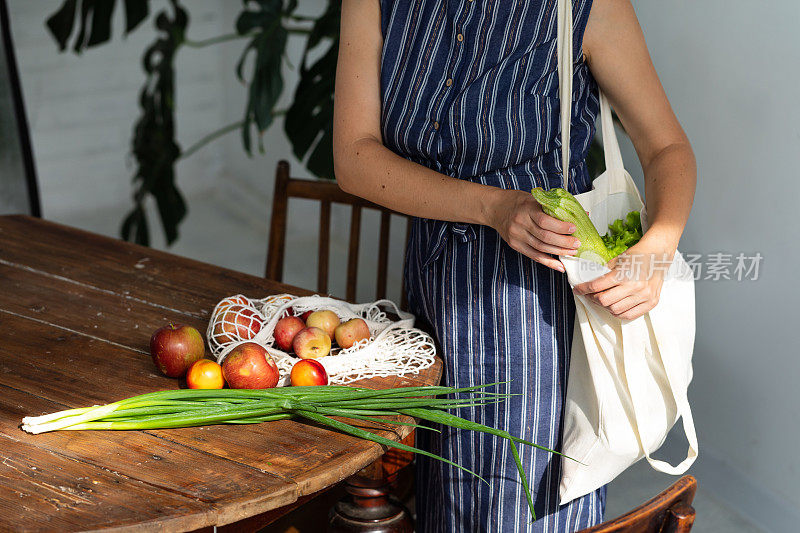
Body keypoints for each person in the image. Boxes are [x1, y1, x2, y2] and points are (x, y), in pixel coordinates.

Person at [332, 0, 696, 531]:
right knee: (443, 501)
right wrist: (493, 207)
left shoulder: (585, 8)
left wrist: (656, 249)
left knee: (523, 505)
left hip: (539, 313)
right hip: (434, 296)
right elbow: (355, 158)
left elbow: (666, 146)